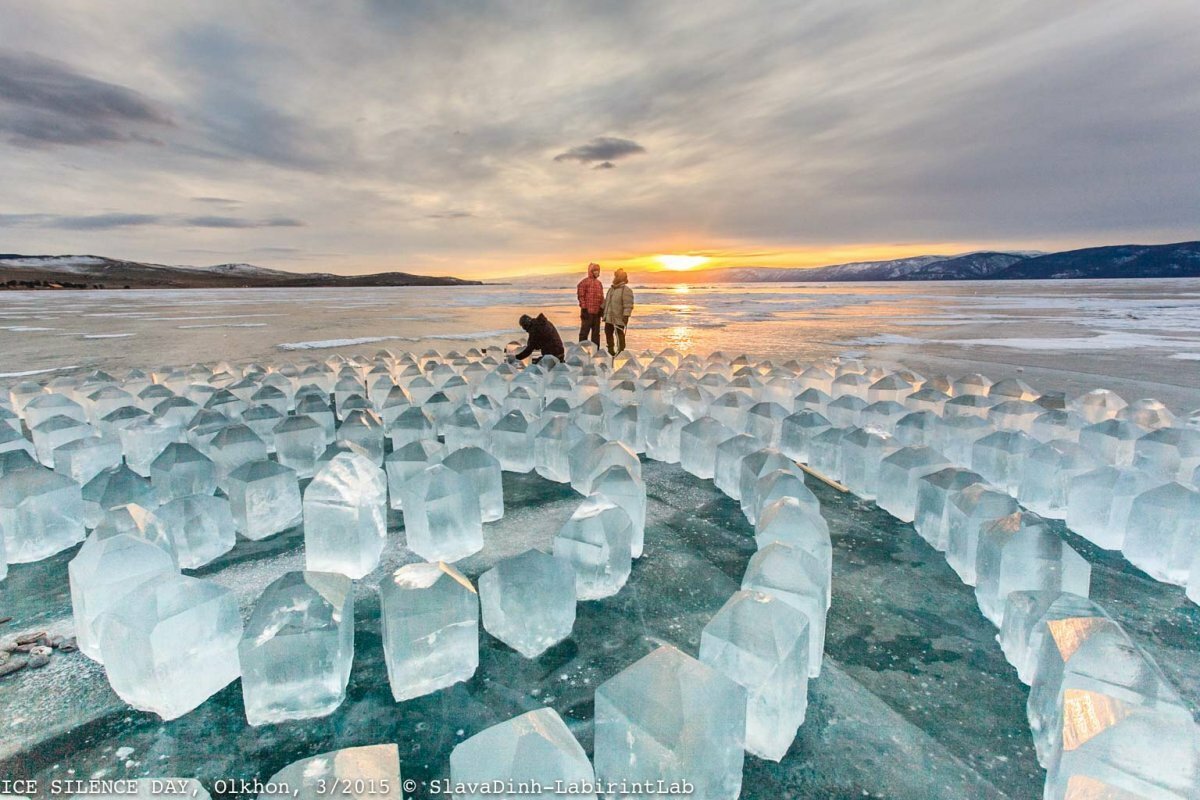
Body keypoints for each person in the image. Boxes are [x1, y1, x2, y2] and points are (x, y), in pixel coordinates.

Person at [602, 268, 634, 357]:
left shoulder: (625, 290)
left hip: (619, 316)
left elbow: (628, 304)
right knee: (608, 332)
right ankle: (610, 350)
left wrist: (626, 315)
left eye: (617, 276)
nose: (615, 278)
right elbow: (606, 302)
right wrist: (603, 310)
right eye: (616, 276)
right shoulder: (611, 289)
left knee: (619, 334)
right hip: (609, 317)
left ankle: (621, 351)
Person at [576, 262, 603, 348]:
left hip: (596, 313)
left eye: (598, 271)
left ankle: (596, 352)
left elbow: (601, 298)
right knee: (584, 333)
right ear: (591, 271)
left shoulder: (599, 284)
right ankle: (581, 351)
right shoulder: (584, 283)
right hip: (587, 313)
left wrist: (601, 309)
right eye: (595, 270)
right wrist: (584, 309)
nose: (597, 272)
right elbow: (581, 296)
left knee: (596, 335)